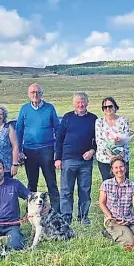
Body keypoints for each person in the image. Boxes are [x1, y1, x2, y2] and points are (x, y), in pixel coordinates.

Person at [16, 83, 61, 214]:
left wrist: (57, 151)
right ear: (28, 94)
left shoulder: (49, 108)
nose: (35, 95)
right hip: (29, 150)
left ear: (42, 94)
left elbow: (57, 129)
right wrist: (19, 151)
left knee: (51, 182)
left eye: (37, 92)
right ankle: (31, 210)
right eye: (32, 92)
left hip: (47, 149)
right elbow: (19, 130)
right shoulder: (24, 109)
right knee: (32, 183)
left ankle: (56, 210)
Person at [55, 92, 98, 224]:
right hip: (68, 159)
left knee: (85, 190)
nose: (80, 104)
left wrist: (92, 150)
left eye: (83, 101)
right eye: (78, 102)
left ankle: (83, 216)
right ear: (74, 103)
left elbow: (98, 139)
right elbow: (59, 139)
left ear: (87, 102)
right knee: (66, 190)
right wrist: (58, 158)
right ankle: (66, 216)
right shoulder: (67, 118)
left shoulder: (93, 119)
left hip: (86, 161)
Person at [99, 157, 134, 247]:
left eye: (121, 167)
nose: (119, 170)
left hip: (129, 220)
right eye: (116, 168)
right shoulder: (106, 184)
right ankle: (109, 233)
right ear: (112, 170)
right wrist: (110, 217)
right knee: (130, 243)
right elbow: (102, 203)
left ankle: (129, 233)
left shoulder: (132, 185)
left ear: (125, 168)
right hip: (114, 220)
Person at [95, 97, 132, 181]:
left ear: (115, 107)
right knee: (108, 186)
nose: (108, 109)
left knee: (123, 184)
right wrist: (111, 156)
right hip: (105, 159)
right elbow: (100, 141)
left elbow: (126, 140)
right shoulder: (99, 122)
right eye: (105, 107)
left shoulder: (123, 120)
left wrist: (119, 156)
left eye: (110, 106)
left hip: (122, 158)